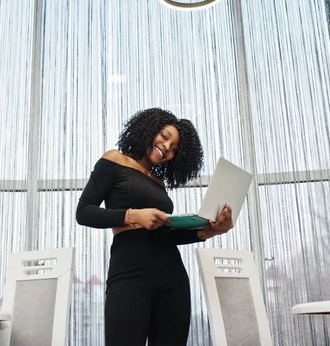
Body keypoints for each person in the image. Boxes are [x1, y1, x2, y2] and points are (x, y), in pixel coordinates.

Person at [76, 107, 234, 346]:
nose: (167, 148)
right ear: (148, 129)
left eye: (174, 149)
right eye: (164, 136)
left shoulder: (158, 183)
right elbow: (84, 212)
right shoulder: (114, 160)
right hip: (130, 274)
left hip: (173, 277)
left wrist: (208, 231)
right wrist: (133, 216)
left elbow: (166, 234)